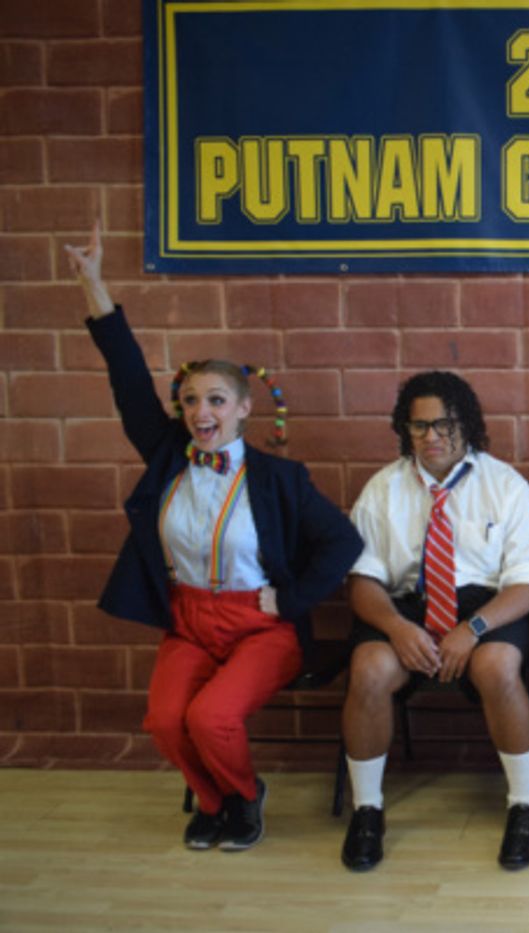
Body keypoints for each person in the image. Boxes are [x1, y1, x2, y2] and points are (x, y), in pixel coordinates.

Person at [64, 224, 363, 851]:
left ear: (245, 407)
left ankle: (247, 797)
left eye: (218, 400)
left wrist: (293, 600)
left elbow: (342, 541)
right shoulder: (167, 456)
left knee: (212, 716)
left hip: (260, 624)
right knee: (166, 721)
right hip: (189, 618)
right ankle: (212, 800)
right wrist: (94, 284)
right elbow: (126, 382)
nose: (203, 412)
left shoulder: (280, 478)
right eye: (192, 400)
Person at [338, 371, 529, 872]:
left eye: (443, 425)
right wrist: (396, 628)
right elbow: (362, 580)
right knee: (369, 670)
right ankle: (367, 811)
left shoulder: (505, 486)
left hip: (484, 606)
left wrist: (472, 629)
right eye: (419, 427)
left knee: (498, 668)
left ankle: (524, 806)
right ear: (404, 429)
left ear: (467, 425)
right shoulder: (382, 488)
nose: (431, 436)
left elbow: (528, 584)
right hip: (406, 606)